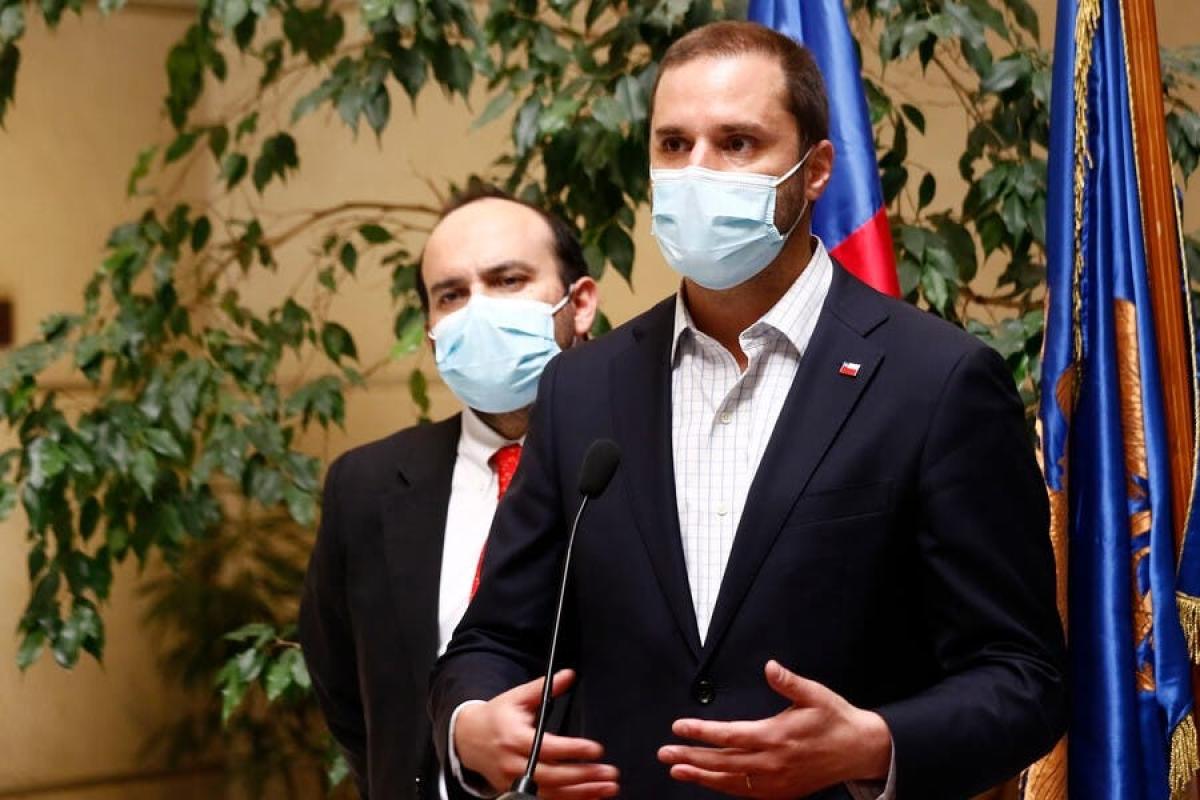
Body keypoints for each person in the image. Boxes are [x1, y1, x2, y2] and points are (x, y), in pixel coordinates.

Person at [429, 20, 1066, 800]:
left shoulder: (937, 381)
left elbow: (1023, 677)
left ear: (815, 170)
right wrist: (469, 723)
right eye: (673, 145)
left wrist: (873, 745)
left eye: (736, 143)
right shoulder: (581, 390)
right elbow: (493, 639)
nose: (697, 172)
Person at [298, 186, 599, 800]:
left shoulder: (648, 456)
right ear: (432, 331)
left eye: (509, 280)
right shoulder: (367, 486)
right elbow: (345, 693)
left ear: (581, 303)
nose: (478, 311)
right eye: (452, 295)